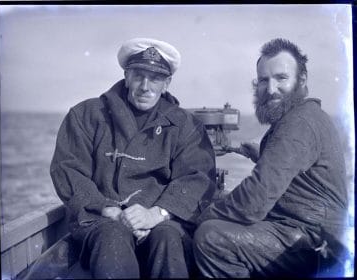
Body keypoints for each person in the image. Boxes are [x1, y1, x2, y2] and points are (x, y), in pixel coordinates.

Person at [50, 38, 217, 278]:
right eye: (138, 76)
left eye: (156, 79)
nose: (145, 87)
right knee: (113, 235)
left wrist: (156, 215)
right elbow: (68, 169)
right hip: (101, 220)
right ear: (126, 76)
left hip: (161, 220)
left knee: (169, 238)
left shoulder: (186, 126)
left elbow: (197, 178)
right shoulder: (85, 115)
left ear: (167, 83)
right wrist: (107, 209)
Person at [193, 38, 348, 278]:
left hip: (311, 241)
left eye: (281, 78)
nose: (271, 88)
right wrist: (264, 156)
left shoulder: (298, 124)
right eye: (264, 80)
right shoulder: (306, 116)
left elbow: (253, 202)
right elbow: (296, 167)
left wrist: (199, 218)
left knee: (211, 236)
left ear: (302, 80)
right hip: (308, 231)